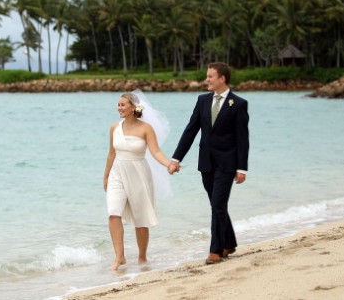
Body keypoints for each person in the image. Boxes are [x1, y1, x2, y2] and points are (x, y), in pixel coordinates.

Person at [168, 62, 249, 265]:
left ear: (222, 78)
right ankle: (229, 242)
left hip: (227, 163)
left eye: (210, 76)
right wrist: (176, 158)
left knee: (217, 204)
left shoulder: (238, 104)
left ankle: (215, 251)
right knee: (217, 204)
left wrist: (242, 168)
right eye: (207, 76)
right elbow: (191, 130)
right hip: (206, 162)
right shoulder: (202, 100)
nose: (207, 80)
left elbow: (242, 139)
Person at [103, 92, 173, 271]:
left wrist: (169, 164)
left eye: (123, 105)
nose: (119, 108)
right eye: (118, 104)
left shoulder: (146, 128)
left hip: (139, 174)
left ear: (133, 108)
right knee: (113, 213)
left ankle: (142, 257)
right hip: (117, 174)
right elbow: (111, 154)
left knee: (141, 219)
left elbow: (156, 152)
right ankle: (119, 256)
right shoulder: (114, 128)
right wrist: (106, 176)